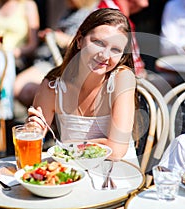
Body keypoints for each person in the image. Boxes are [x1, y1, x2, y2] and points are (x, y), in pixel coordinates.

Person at [26, 8, 138, 165]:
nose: (105, 56)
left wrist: (67, 149)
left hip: (117, 173)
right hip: (73, 173)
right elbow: (33, 144)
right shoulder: (52, 86)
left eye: (115, 50)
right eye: (98, 43)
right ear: (79, 40)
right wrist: (33, 130)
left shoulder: (122, 79)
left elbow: (117, 150)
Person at [14, 0, 100, 108]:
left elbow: (90, 46)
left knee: (32, 90)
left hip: (69, 66)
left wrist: (63, 39)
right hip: (52, 60)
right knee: (19, 88)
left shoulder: (92, 13)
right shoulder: (70, 11)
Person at [0, 0, 39, 119]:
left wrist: (13, 52)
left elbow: (33, 45)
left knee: (3, 63)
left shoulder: (28, 5)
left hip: (17, 59)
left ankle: (2, 111)